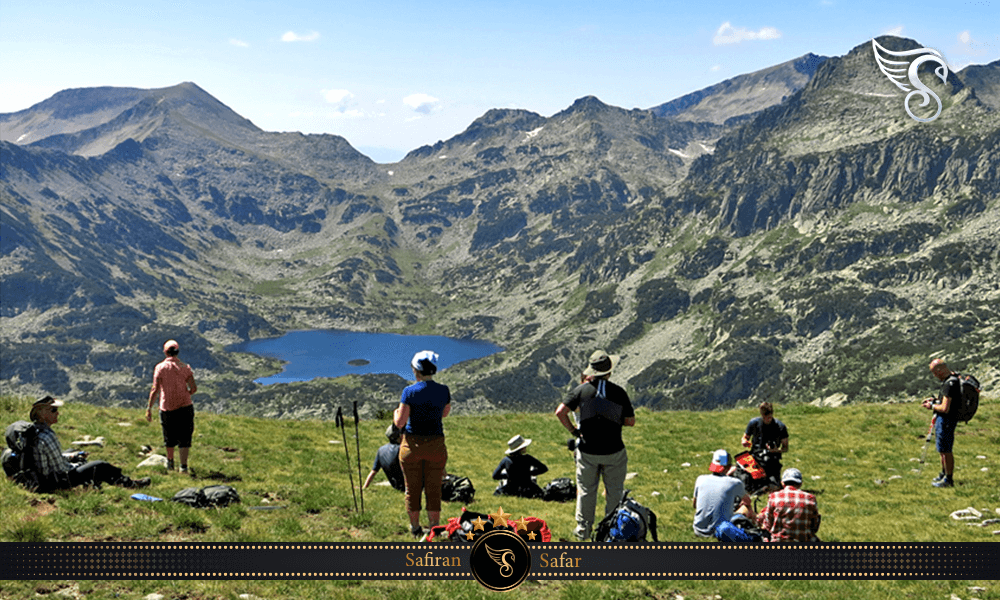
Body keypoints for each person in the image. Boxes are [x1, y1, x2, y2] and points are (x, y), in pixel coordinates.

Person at [554, 350, 636, 541]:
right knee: (614, 492)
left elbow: (560, 412)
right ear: (609, 371)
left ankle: (583, 530)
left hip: (587, 450)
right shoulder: (618, 392)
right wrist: (614, 418)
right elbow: (630, 421)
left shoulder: (580, 391)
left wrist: (574, 432)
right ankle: (611, 531)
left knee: (586, 491)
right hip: (614, 450)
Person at [30, 396, 150, 491]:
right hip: (57, 481)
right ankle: (129, 484)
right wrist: (78, 463)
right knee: (100, 465)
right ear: (42, 414)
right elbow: (61, 468)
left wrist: (72, 457)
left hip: (45, 476)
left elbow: (54, 459)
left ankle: (93, 484)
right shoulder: (48, 436)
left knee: (71, 451)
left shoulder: (36, 430)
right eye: (53, 410)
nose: (57, 413)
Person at [393, 350, 451, 537]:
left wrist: (396, 413)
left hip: (412, 445)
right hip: (436, 445)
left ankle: (416, 528)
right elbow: (445, 413)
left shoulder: (409, 392)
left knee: (412, 489)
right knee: (434, 488)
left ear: (416, 370)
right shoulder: (443, 390)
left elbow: (400, 423)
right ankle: (434, 528)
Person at [146, 339, 198, 474]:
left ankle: (170, 463)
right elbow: (193, 388)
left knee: (168, 436)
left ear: (165, 351)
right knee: (185, 436)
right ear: (177, 352)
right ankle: (183, 466)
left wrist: (149, 408)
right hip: (185, 406)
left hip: (167, 407)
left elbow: (155, 389)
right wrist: (185, 393)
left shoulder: (160, 368)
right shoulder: (185, 367)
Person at [692, 449, 754, 538]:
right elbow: (747, 501)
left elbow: (695, 505)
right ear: (729, 467)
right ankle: (757, 525)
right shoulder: (735, 483)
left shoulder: (700, 479)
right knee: (745, 508)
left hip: (698, 530)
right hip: (720, 530)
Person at [922, 358, 960, 487]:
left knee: (946, 450)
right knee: (942, 449)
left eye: (934, 372)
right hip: (945, 419)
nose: (934, 375)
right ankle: (943, 474)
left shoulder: (949, 384)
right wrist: (934, 401)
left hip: (947, 420)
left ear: (940, 370)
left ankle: (948, 479)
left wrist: (931, 406)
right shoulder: (951, 380)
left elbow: (945, 408)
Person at [756, 468, 821, 543]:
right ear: (800, 484)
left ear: (782, 483)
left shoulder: (774, 497)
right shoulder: (810, 498)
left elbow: (767, 525)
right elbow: (814, 526)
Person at [741, 401, 789, 484]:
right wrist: (744, 441)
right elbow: (745, 437)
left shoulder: (780, 427)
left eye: (769, 417)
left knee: (773, 483)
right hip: (755, 456)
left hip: (772, 459)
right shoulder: (754, 423)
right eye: (765, 417)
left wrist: (775, 450)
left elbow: (785, 448)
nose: (767, 420)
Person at [492, 434, 548, 498]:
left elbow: (495, 476)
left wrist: (508, 476)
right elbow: (544, 468)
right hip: (528, 488)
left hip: (511, 489)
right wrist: (529, 473)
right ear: (521, 448)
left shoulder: (506, 460)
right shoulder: (528, 458)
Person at [362, 424, 405, 492]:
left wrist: (364, 487)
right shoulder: (402, 449)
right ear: (400, 436)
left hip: (396, 486)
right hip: (407, 485)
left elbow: (373, 472)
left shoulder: (381, 450)